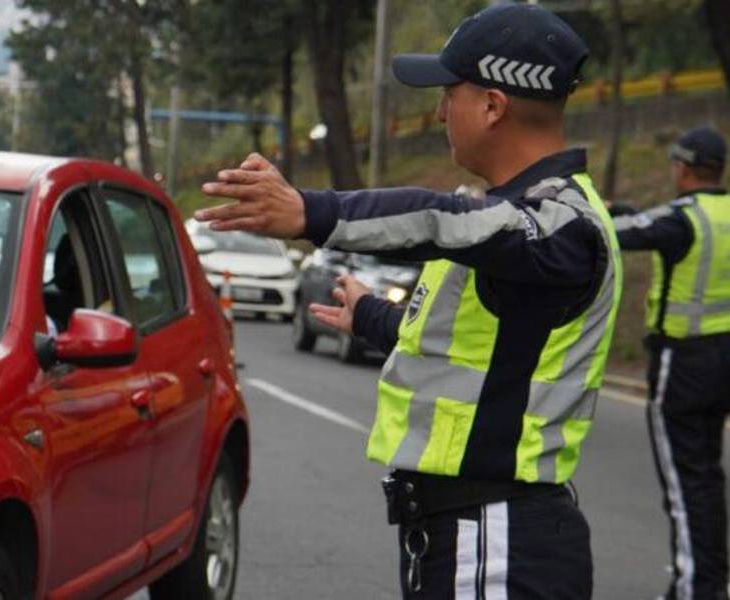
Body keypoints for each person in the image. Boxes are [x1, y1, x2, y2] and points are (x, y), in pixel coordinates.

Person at [197, 4, 621, 598]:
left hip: (496, 537)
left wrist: (311, 213)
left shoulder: (559, 224)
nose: (441, 110)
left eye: (451, 92)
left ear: (493, 105)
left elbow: (441, 220)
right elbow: (484, 353)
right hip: (465, 532)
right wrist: (372, 317)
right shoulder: (520, 218)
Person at [611, 125, 730, 600]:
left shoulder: (682, 218)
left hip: (683, 365)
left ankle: (694, 589)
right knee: (707, 479)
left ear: (681, 167)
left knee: (685, 485)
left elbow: (621, 232)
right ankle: (710, 584)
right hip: (724, 361)